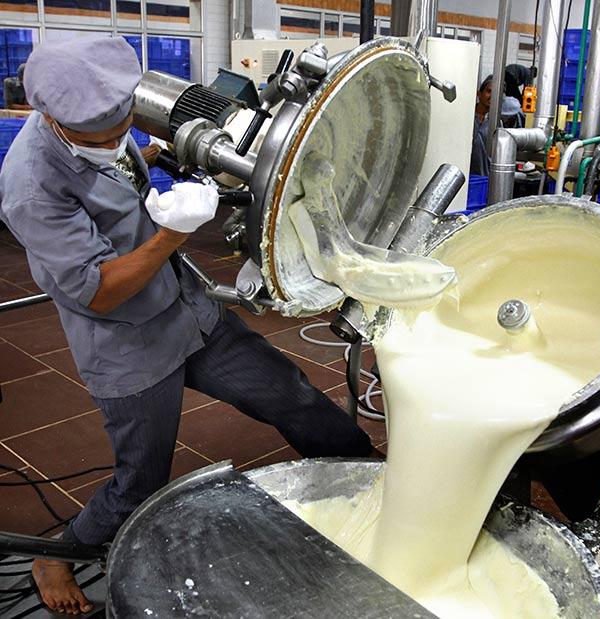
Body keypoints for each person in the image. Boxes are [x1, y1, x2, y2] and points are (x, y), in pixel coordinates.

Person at [0, 36, 379, 615]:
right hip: (128, 342)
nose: (113, 137)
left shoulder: (107, 115)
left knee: (293, 396)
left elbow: (116, 159)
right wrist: (175, 233)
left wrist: (143, 160)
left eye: (120, 124)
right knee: (140, 482)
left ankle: (376, 484)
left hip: (187, 309)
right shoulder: (32, 187)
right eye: (97, 139)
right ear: (51, 120)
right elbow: (97, 290)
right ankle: (59, 554)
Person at [470, 74, 492, 176]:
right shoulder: (468, 118)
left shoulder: (496, 122)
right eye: (488, 91)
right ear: (479, 94)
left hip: (485, 178)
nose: (491, 96)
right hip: (466, 175)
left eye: (495, 93)